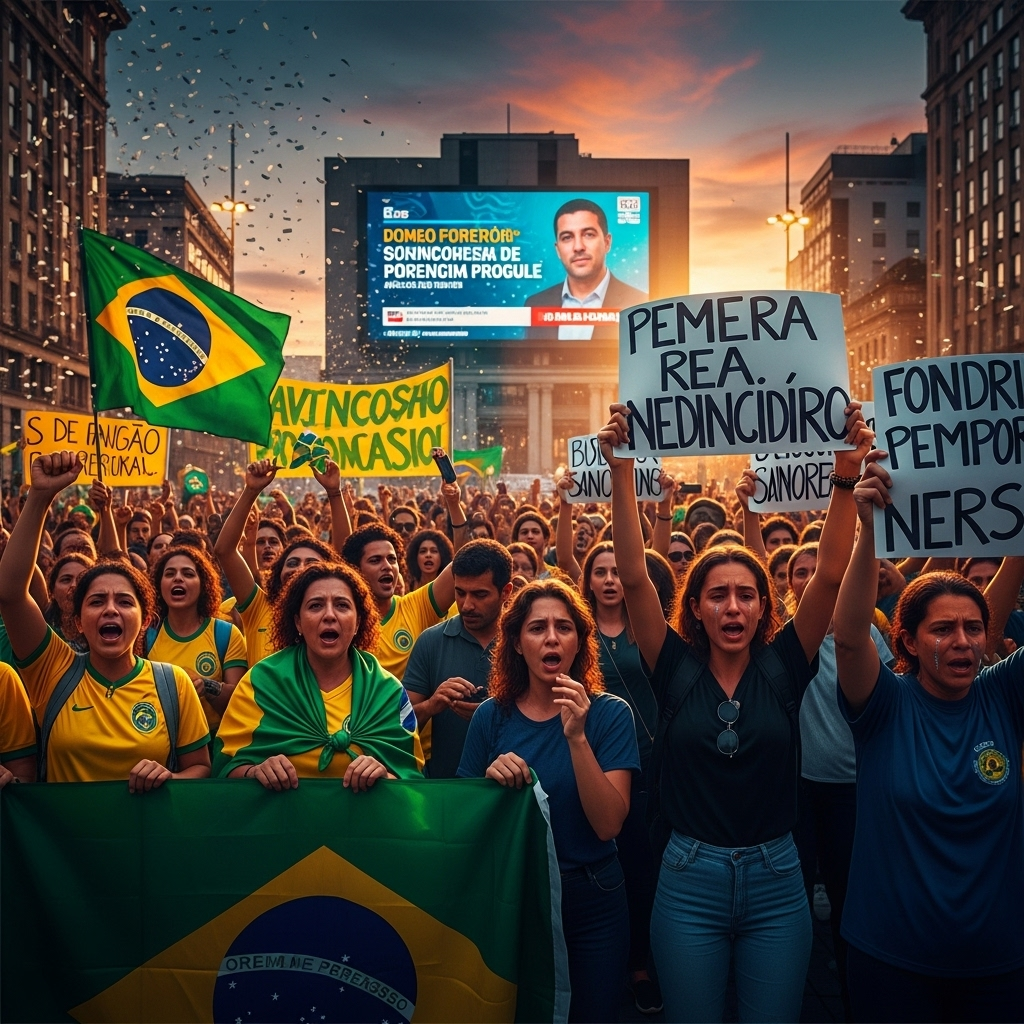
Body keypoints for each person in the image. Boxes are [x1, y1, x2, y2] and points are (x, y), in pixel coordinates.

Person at [600, 401, 870, 1023]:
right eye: (716, 594)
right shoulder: (673, 669)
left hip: (779, 884)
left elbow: (828, 573)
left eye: (746, 595)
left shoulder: (785, 666)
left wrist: (846, 478)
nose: (732, 607)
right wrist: (621, 468)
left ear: (762, 607)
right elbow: (638, 577)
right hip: (688, 883)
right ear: (694, 607)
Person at [834, 453, 1024, 1022]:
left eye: (973, 628)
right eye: (943, 629)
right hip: (891, 962)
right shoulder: (884, 705)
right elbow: (846, 638)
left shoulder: (1003, 697)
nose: (963, 640)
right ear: (909, 643)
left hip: (999, 963)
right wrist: (868, 532)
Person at [458, 579, 639, 1023]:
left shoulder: (611, 714)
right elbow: (465, 822)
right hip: (517, 891)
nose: (552, 638)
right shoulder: (490, 716)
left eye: (564, 627)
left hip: (593, 893)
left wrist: (576, 737)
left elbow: (608, 825)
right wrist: (489, 783)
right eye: (537, 628)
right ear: (517, 644)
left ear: (580, 641)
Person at [0, 452, 211, 789]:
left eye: (125, 601)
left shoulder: (173, 684)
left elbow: (200, 768)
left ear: (145, 621)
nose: (110, 609)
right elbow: (10, 594)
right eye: (96, 601)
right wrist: (40, 497)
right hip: (65, 841)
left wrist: (170, 777)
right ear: (79, 621)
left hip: (145, 840)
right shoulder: (53, 671)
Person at [214, 562, 423, 787]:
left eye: (342, 605)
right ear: (298, 623)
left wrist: (385, 778)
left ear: (358, 623)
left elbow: (413, 779)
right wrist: (254, 772)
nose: (329, 615)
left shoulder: (388, 691)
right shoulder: (260, 682)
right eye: (315, 606)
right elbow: (224, 767)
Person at [214, 458, 347, 668]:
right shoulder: (258, 607)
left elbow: (345, 553)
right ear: (279, 571)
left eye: (311, 562)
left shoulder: (331, 616)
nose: (300, 568)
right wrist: (251, 490)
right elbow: (224, 551)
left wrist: (334, 492)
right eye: (292, 562)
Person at [405, 540, 513, 777]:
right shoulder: (431, 642)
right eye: (460, 593)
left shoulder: (523, 642)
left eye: (480, 594)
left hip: (512, 790)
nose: (467, 605)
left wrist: (493, 712)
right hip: (446, 789)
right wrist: (433, 704)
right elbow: (400, 725)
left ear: (506, 592)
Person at [342, 502, 461, 680]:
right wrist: (335, 495)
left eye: (392, 559)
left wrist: (454, 504)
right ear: (355, 569)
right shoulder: (344, 618)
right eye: (375, 560)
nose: (387, 566)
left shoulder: (415, 606)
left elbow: (462, 562)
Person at [147, 545, 248, 732]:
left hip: (214, 744)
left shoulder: (225, 634)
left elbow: (240, 701)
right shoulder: (146, 636)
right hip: (163, 742)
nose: (178, 578)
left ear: (203, 584)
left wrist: (206, 686)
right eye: (169, 574)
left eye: (188, 574)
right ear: (158, 585)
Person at [526, 198, 647, 341]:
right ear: (558, 250)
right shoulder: (535, 304)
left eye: (588, 234)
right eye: (567, 237)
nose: (578, 247)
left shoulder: (642, 303)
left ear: (607, 243)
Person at [43, 552, 94, 650]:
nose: (74, 585)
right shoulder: (42, 631)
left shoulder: (103, 629)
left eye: (81, 579)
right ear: (52, 591)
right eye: (66, 580)